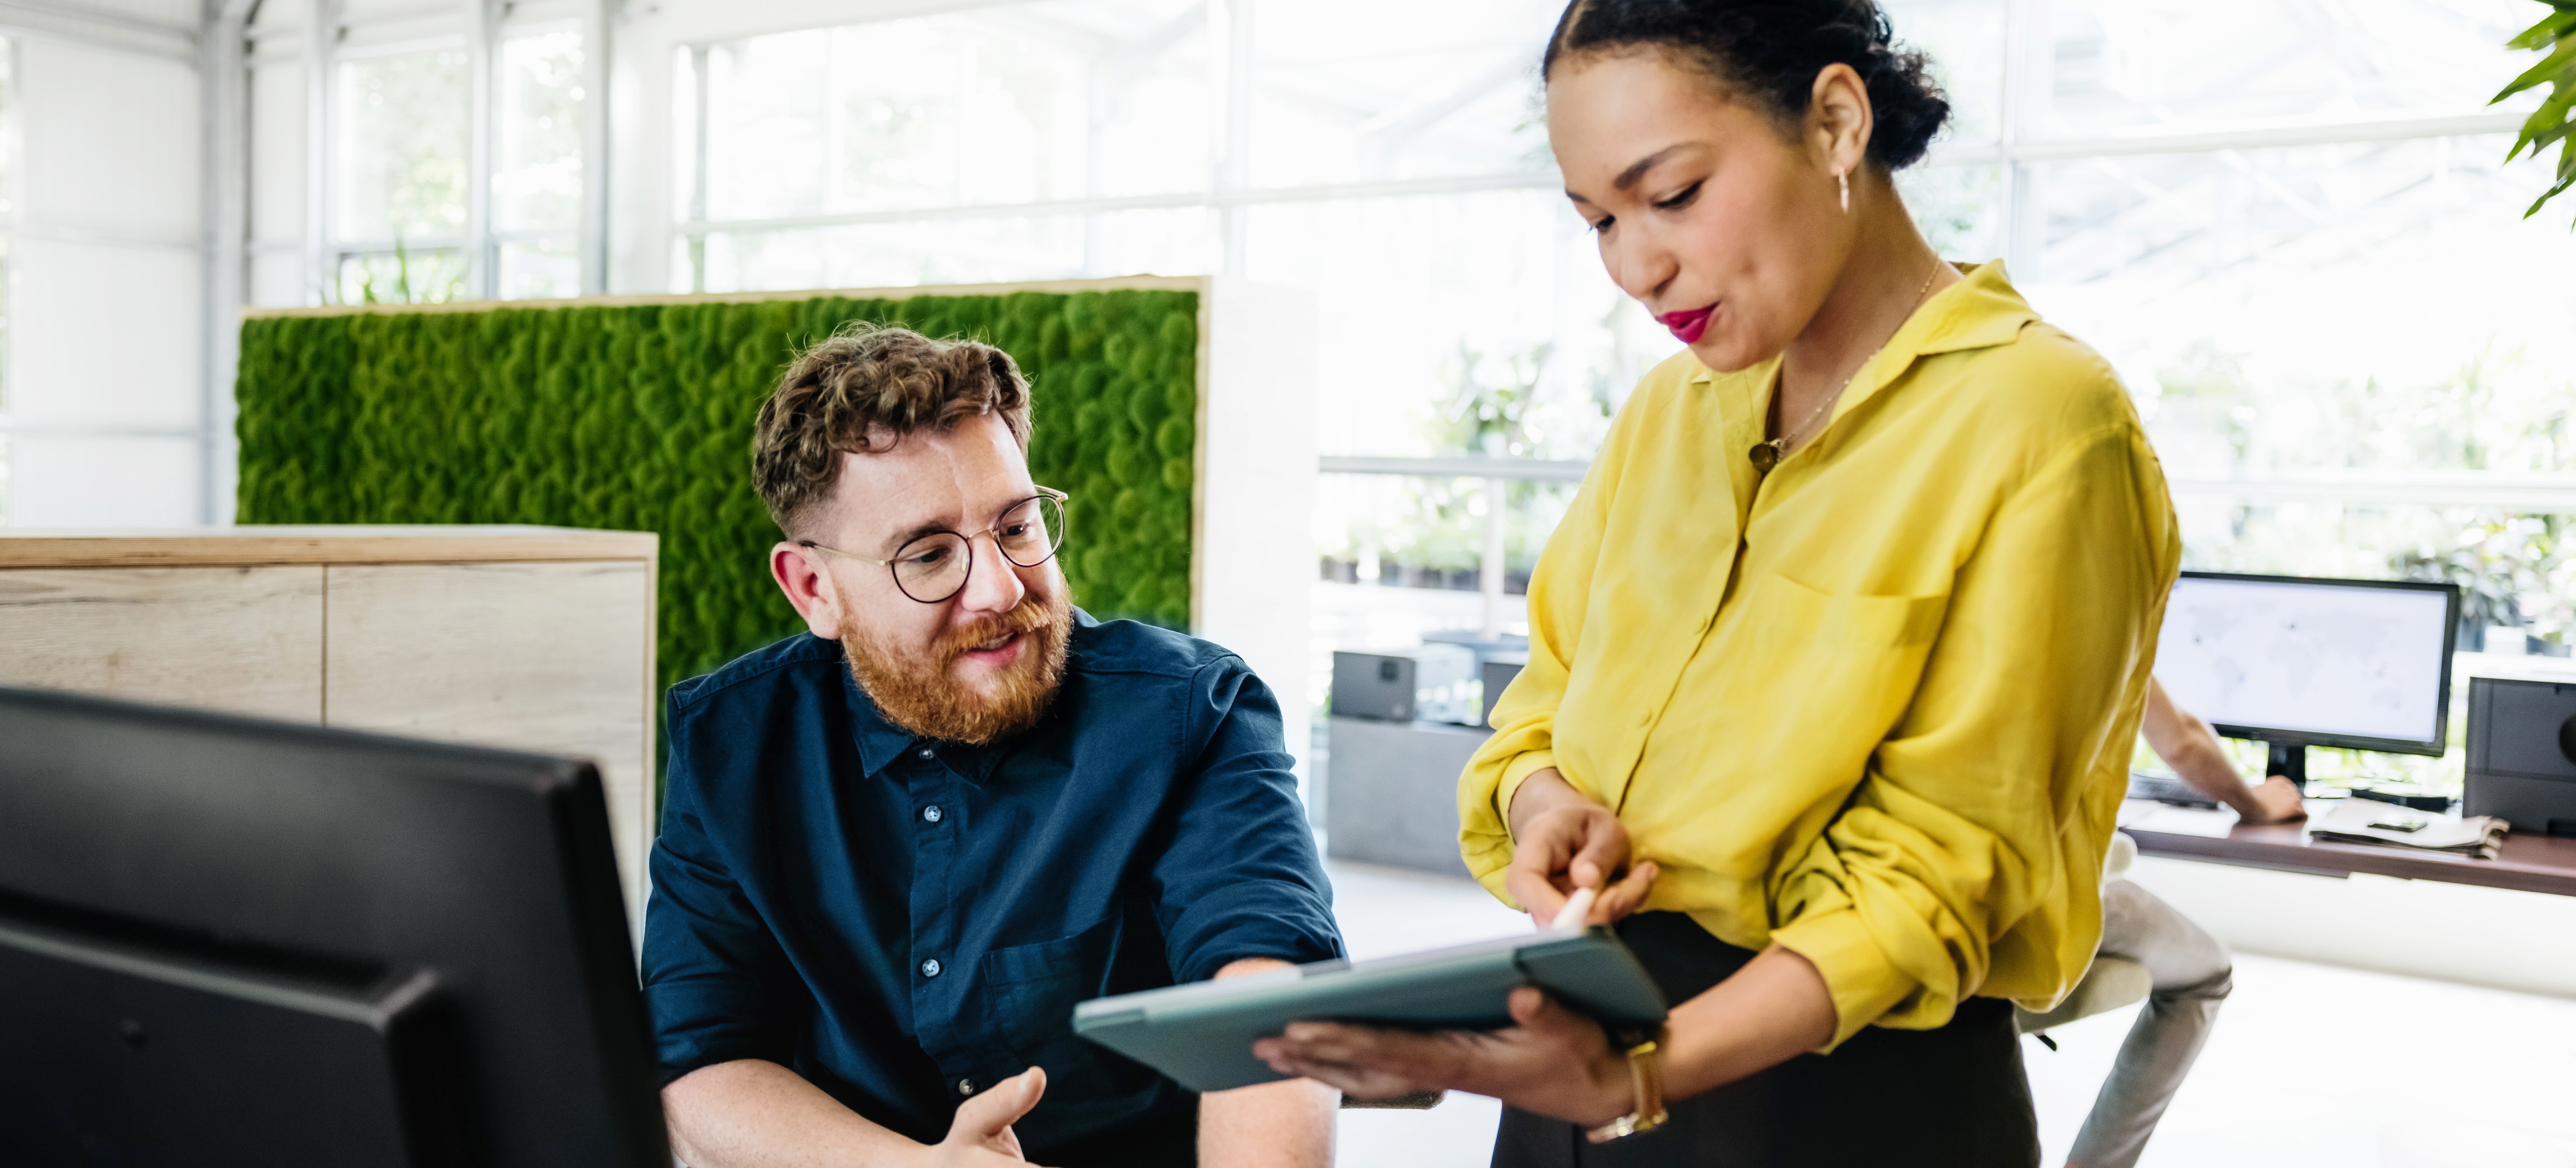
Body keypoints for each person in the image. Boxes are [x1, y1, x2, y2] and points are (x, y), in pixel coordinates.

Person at [1252, 1, 2182, 1164]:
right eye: (1598, 218)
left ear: (1838, 121)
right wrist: (1545, 809)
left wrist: (1643, 1070)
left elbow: (1945, 874)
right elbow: (1537, 711)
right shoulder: (1667, 416)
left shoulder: (2043, 421)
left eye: (1674, 194)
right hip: (1577, 1057)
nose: (1637, 266)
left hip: (1845, 1099)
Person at [644, 325, 1343, 1168]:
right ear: (815, 588)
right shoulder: (735, 743)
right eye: (930, 555)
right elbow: (702, 1057)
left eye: (1016, 528)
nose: (1002, 588)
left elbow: (1271, 1001)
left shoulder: (1192, 711)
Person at [2057, 678, 2304, 1168]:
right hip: (2047, 894)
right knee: (2209, 971)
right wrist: (2256, 803)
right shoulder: (2096, 607)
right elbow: (2182, 741)